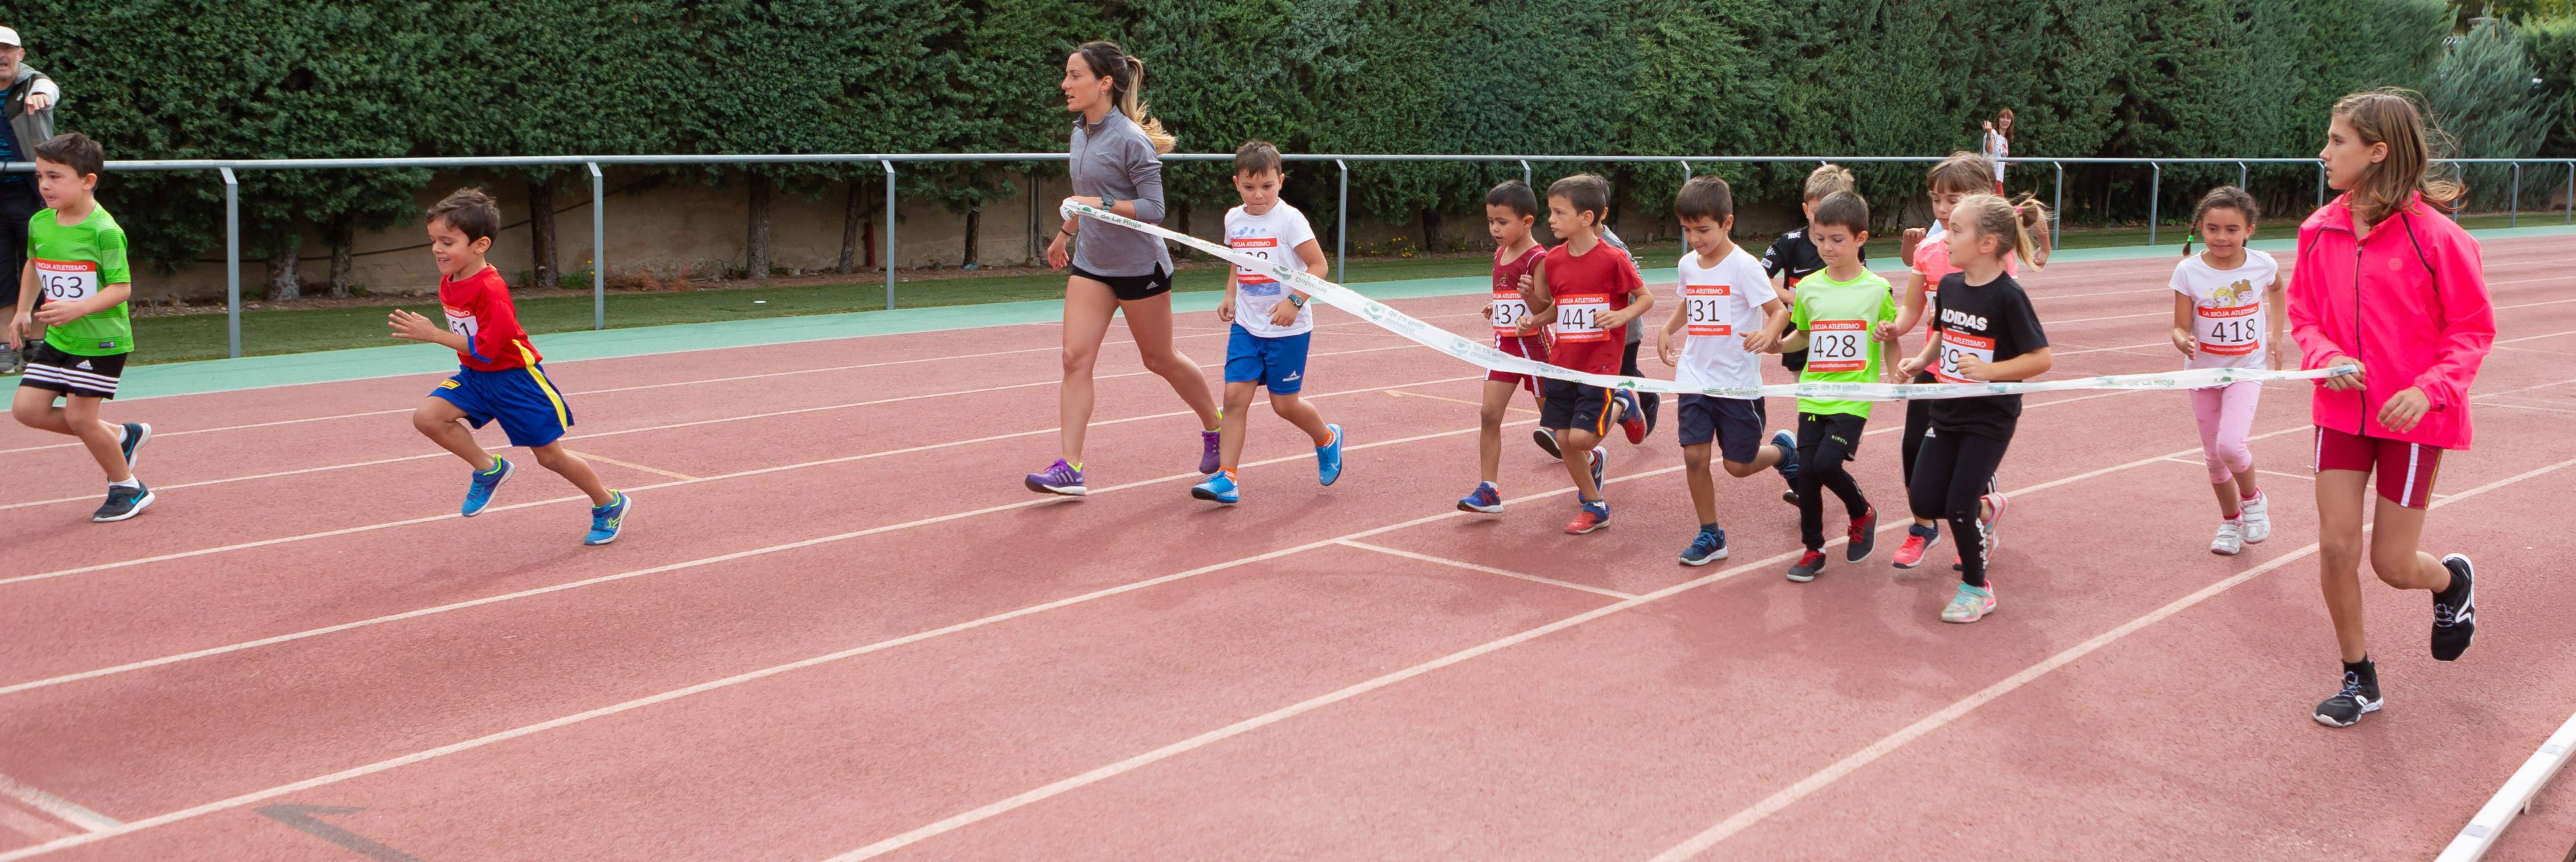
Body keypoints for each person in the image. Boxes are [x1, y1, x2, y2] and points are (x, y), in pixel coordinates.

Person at [2290, 89, 2495, 729]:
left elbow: (2473, 330)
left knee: (2391, 564)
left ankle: (2449, 583)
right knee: (2334, 548)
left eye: (2337, 141)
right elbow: (2302, 316)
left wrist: (2429, 388)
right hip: (2341, 413)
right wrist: (2324, 353)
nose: (2324, 152)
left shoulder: (2438, 237)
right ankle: (2359, 678)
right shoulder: (2317, 230)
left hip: (2414, 419)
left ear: (2377, 153)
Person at [1026, 40, 1224, 497]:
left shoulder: (1132, 139)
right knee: (1074, 359)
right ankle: (1070, 468)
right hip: (1093, 264)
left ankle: (1216, 424)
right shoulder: (1080, 132)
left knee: (1159, 359)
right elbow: (1084, 194)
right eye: (1066, 74)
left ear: (1105, 83)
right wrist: (1066, 231)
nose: (1065, 84)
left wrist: (1100, 203)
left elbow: (1154, 207)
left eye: (1075, 75)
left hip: (1140, 266)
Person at [388, 189, 631, 545]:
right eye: (433, 240)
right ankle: (489, 468)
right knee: (428, 417)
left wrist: (433, 334)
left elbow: (488, 348)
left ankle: (608, 504)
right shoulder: (450, 279)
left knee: (550, 458)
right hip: (475, 378)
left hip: (516, 381)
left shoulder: (492, 289)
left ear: (480, 244)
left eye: (447, 241)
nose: (437, 249)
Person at [1895, 193, 2053, 623]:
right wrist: (1920, 361)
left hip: (1989, 416)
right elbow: (1944, 333)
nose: (1945, 236)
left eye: (1956, 230)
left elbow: (2040, 358)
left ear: (1986, 243)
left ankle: (1976, 587)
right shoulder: (1949, 286)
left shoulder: (2008, 297)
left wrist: (1991, 370)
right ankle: (1989, 506)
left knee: (1960, 503)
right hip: (1946, 409)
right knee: (1925, 497)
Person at [1880, 153, 2041, 568]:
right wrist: (1900, 336)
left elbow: (2001, 319)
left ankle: (1972, 528)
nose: (1943, 209)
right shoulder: (1935, 253)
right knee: (1915, 450)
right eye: (1937, 200)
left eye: (1954, 200)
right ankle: (1924, 526)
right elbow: (1924, 315)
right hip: (1937, 373)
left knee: (1967, 474)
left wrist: (1989, 370)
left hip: (1981, 389)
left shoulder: (1993, 260)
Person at [1189, 141, 1345, 505]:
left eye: (1267, 187)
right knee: (1234, 398)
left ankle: (1327, 438)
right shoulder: (1233, 218)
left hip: (1288, 329)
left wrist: (1294, 301)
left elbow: (1318, 267)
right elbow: (1237, 260)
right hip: (1246, 325)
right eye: (1249, 187)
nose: (1258, 195)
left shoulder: (1290, 220)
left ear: (1281, 182)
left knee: (1284, 405)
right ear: (1236, 183)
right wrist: (1229, 294)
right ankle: (1226, 479)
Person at [7, 133, 151, 521]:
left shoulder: (103, 230)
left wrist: (78, 308)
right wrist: (22, 311)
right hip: (60, 337)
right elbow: (34, 265)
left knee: (80, 418)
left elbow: (122, 288)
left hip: (101, 340)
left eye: (55, 176)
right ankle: (122, 435)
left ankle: (128, 487)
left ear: (88, 180)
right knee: (27, 411)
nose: (45, 185)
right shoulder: (40, 222)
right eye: (40, 176)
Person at [1655, 175, 1797, 565]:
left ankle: (1784, 453)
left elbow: (1779, 311)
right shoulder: (1688, 264)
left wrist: (1768, 334)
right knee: (1695, 458)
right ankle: (1710, 534)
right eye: (1687, 230)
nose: (1695, 238)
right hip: (1695, 378)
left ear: (1727, 223)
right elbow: (1688, 303)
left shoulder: (1745, 267)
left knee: (1737, 465)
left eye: (1703, 230)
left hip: (1736, 385)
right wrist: (1668, 329)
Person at [1515, 174, 1651, 535]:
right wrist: (1533, 317)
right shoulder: (1554, 260)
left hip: (1599, 365)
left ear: (1587, 218)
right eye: (1551, 212)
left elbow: (1645, 298)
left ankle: (1623, 402)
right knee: (1563, 441)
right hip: (1563, 363)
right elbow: (1554, 308)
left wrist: (1622, 315)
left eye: (1560, 213)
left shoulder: (1613, 259)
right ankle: (1595, 504)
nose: (1552, 220)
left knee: (1582, 439)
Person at [1772, 191, 1897, 582]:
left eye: (1837, 239)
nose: (1827, 247)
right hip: (1814, 393)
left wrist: (1896, 374)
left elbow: (1890, 335)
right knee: (1808, 474)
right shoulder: (1809, 287)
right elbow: (1805, 335)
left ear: (1861, 239)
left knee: (1826, 464)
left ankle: (1861, 512)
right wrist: (1776, 343)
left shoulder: (1878, 289)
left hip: (1853, 397)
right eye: (1820, 238)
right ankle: (1814, 549)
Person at [2168, 186, 2285, 555]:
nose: (2222, 237)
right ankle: (2230, 521)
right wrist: (2181, 340)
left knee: (2231, 445)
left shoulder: (2262, 264)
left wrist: (2277, 335)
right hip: (2202, 374)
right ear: (2200, 228)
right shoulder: (2188, 270)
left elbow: (2278, 289)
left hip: (2246, 370)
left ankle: (2252, 500)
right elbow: (2179, 326)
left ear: (2249, 230)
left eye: (2232, 230)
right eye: (2213, 229)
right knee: (2214, 459)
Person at [1457, 179, 1550, 514]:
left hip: (1534, 349)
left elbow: (1547, 309)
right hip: (1503, 347)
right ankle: (1489, 490)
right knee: (1488, 415)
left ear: (1527, 221)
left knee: (1554, 426)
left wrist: (1530, 302)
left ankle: (1592, 457)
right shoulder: (1500, 252)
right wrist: (1497, 304)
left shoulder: (1538, 259)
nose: (1495, 229)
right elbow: (1506, 292)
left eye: (1502, 222)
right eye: (1491, 221)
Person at [1759, 163, 1869, 377]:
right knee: (1807, 396)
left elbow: (1861, 284)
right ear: (1806, 209)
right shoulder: (1790, 243)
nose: (1824, 221)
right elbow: (1760, 277)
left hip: (1839, 334)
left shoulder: (1852, 246)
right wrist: (1793, 299)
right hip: (1798, 332)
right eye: (1818, 212)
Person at [1, 26, 64, 376]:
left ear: (20, 55)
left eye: (7, 49)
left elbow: (48, 88)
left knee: (40, 265)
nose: (0, 56)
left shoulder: (34, 83)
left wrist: (40, 96)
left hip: (30, 191)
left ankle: (38, 346)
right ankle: (3, 347)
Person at [1981, 109, 2015, 194]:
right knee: (2002, 207)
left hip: (1999, 179)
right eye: (2003, 117)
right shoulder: (1993, 133)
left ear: (2011, 122)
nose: (2005, 120)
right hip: (1990, 178)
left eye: (2008, 118)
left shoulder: (2005, 140)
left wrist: (2008, 163)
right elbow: (1989, 150)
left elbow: (1998, 157)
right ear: (1998, 120)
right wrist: (1989, 134)